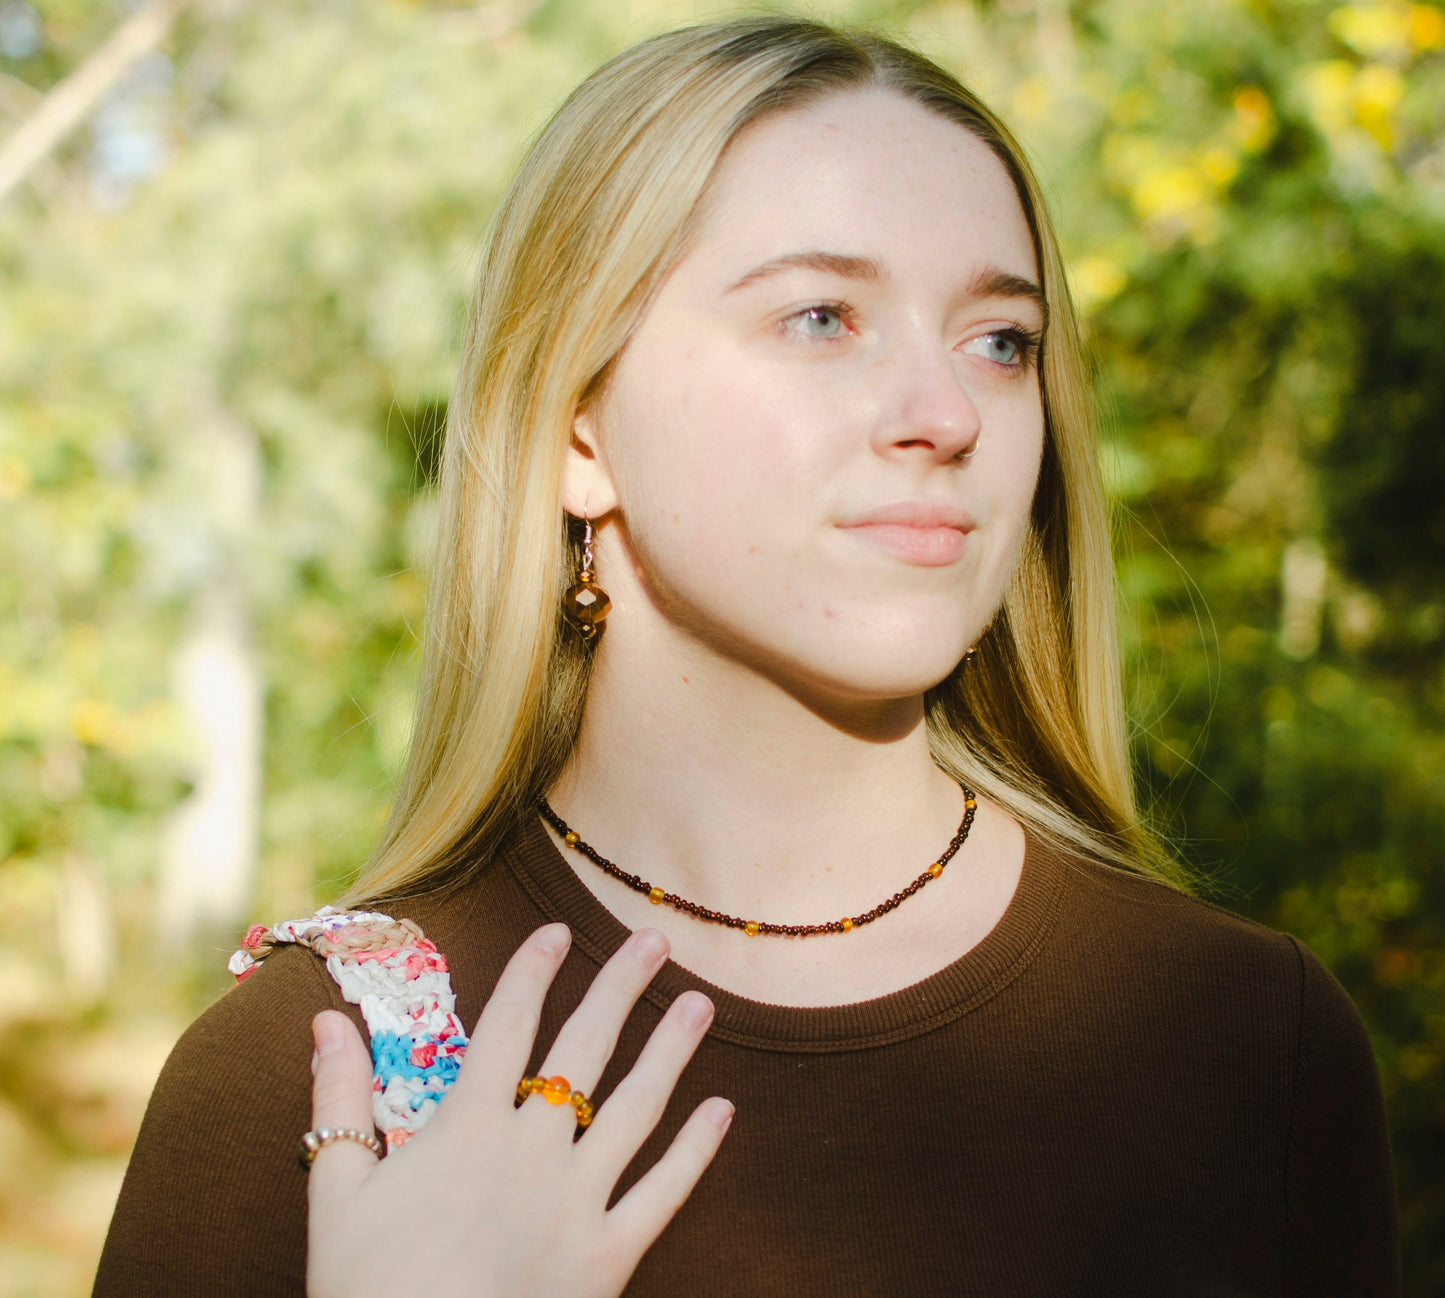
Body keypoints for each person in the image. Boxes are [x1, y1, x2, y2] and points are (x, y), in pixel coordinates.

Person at [93, 16, 1400, 1297]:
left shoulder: (1242, 1040)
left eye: (999, 341)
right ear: (577, 432)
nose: (947, 414)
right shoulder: (311, 1080)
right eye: (822, 317)